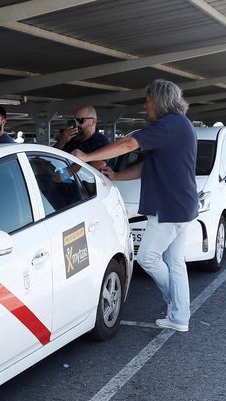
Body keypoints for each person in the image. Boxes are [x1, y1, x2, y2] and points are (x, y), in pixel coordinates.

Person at [75, 79, 198, 333]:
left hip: (169, 208)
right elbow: (149, 166)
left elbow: (128, 144)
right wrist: (117, 176)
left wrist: (87, 157)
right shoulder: (181, 126)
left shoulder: (168, 126)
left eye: (148, 99)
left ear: (159, 100)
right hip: (181, 205)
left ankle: (174, 303)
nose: (145, 105)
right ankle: (180, 316)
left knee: (147, 258)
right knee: (174, 261)